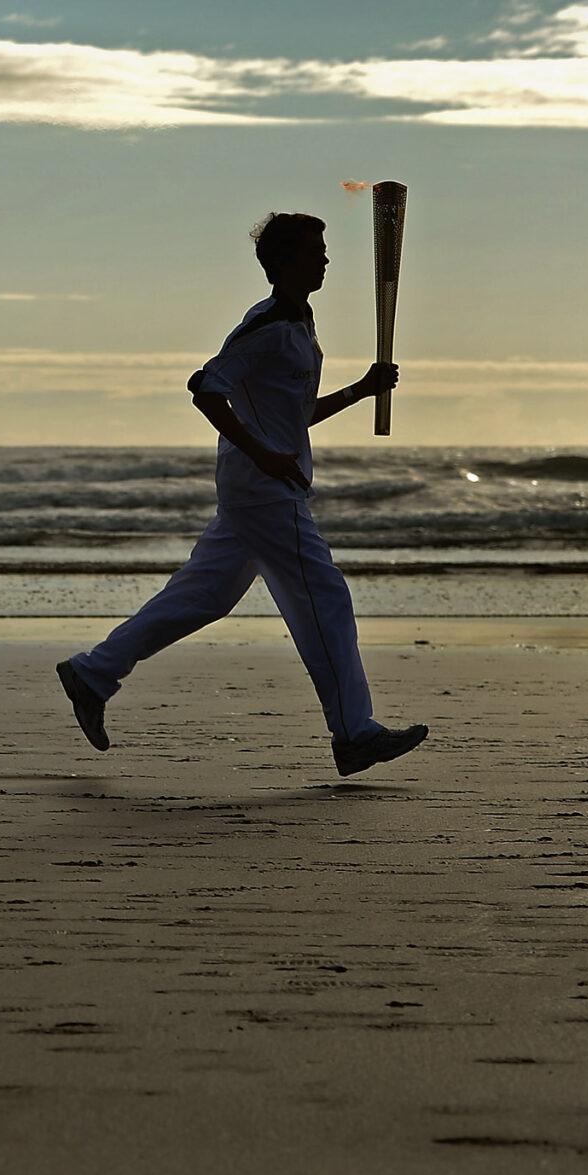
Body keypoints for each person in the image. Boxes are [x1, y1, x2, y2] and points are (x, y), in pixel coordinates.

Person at [55, 212, 429, 778]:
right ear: (282, 263)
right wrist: (264, 456)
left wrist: (361, 389)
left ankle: (94, 672)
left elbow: (298, 415)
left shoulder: (301, 322)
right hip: (265, 490)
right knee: (325, 599)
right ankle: (354, 734)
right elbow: (206, 388)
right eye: (314, 251)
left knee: (205, 596)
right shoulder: (270, 323)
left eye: (324, 250)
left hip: (264, 487)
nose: (325, 259)